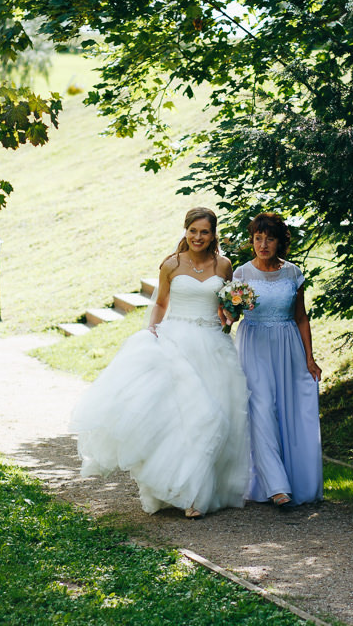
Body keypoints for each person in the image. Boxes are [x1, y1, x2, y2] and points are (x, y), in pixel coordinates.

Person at [70, 207, 250, 519]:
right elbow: (162, 302)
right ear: (185, 231)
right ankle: (177, 490)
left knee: (217, 418)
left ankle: (201, 491)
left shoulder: (224, 265)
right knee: (184, 419)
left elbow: (224, 308)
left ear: (213, 234)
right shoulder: (171, 264)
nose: (197, 237)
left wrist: (232, 315)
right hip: (176, 342)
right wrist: (152, 330)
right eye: (192, 231)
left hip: (213, 345)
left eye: (204, 232)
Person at [230, 212, 323, 507]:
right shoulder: (241, 275)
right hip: (254, 344)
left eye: (269, 238)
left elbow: (301, 317)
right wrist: (227, 309)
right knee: (261, 408)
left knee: (290, 410)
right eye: (258, 238)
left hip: (288, 346)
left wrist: (310, 358)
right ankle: (276, 486)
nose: (263, 244)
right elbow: (231, 317)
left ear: (280, 241)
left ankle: (295, 479)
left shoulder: (293, 273)